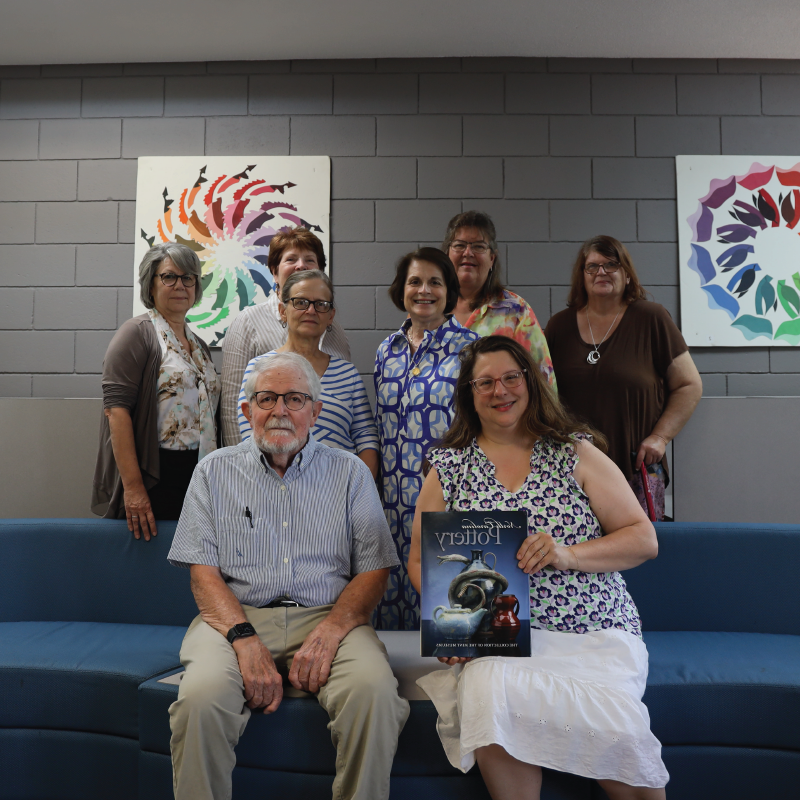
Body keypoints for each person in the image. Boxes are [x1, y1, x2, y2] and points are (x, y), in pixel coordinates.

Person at [409, 335, 669, 800]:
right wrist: (451, 628)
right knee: (489, 688)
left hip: (593, 630)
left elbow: (642, 538)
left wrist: (566, 553)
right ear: (469, 394)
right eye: (484, 382)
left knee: (623, 730)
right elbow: (418, 560)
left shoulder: (574, 452)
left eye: (511, 377)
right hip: (498, 638)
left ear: (530, 382)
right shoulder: (449, 468)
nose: (499, 390)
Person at [167, 352, 408, 800]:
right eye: (267, 398)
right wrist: (243, 637)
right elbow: (203, 574)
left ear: (315, 412)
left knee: (374, 693)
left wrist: (333, 629)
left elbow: (375, 568)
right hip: (233, 619)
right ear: (247, 411)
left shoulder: (351, 473)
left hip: (329, 617)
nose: (279, 410)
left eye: (295, 399)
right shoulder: (213, 472)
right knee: (199, 700)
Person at [544, 236, 702, 520]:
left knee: (636, 554)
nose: (601, 272)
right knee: (578, 554)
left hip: (635, 470)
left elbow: (689, 385)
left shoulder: (651, 318)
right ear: (582, 276)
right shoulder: (559, 326)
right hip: (572, 471)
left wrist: (660, 437)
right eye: (592, 267)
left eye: (611, 265)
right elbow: (543, 394)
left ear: (627, 275)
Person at [373, 247, 479, 631]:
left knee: (445, 608)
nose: (424, 290)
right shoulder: (387, 351)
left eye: (435, 282)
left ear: (449, 291)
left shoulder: (471, 349)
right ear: (401, 288)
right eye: (414, 281)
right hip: (391, 506)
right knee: (392, 614)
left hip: (446, 500)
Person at [91, 242, 219, 539]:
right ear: (151, 285)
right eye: (169, 276)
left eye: (188, 278)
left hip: (198, 472)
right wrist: (134, 488)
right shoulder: (136, 334)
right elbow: (116, 411)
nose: (180, 285)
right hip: (155, 473)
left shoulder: (199, 346)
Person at [237, 269, 379, 478]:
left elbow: (366, 437)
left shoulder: (348, 374)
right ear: (283, 310)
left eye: (321, 304)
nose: (311, 310)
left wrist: (357, 490)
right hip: (274, 492)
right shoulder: (259, 368)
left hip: (338, 494)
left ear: (330, 316)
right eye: (301, 302)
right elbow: (249, 436)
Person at [220, 226, 350, 447]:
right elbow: (233, 407)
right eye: (291, 259)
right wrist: (242, 463)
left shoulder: (333, 328)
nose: (301, 265)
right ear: (274, 271)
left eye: (310, 259)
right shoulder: (247, 322)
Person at [443, 210, 556, 388]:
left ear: (492, 259)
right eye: (459, 245)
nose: (468, 252)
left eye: (479, 246)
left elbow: (543, 382)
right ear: (447, 254)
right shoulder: (430, 309)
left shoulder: (516, 311)